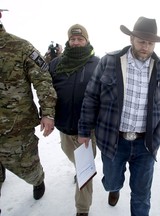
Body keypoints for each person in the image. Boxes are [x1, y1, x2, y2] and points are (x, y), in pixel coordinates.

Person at [78, 16, 160, 216]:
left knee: (142, 195)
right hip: (112, 140)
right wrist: (84, 131)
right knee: (111, 181)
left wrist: (159, 132)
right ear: (131, 38)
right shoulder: (109, 61)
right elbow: (91, 96)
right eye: (142, 41)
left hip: (146, 144)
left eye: (150, 43)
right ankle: (114, 189)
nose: (146, 47)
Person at [0, 19, 57, 203]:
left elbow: (43, 80)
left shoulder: (21, 47)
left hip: (15, 128)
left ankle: (38, 180)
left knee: (28, 168)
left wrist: (47, 113)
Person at [48, 24, 100, 216]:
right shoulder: (56, 64)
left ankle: (82, 209)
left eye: (80, 39)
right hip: (64, 126)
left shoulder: (97, 64)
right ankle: (79, 168)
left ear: (87, 40)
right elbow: (47, 92)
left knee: (85, 171)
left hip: (87, 130)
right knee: (71, 157)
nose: (76, 42)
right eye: (73, 39)